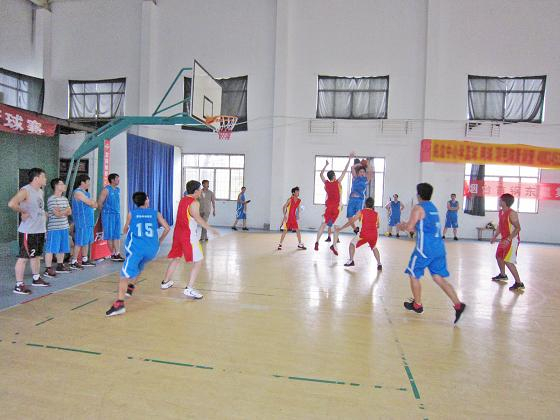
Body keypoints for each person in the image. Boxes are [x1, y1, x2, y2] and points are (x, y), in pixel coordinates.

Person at [397, 183, 466, 324]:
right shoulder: (433, 208)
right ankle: (458, 305)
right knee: (438, 278)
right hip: (438, 248)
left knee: (413, 274)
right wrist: (410, 226)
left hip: (424, 249)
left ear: (418, 194)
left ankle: (417, 305)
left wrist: (401, 225)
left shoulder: (418, 208)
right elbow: (422, 227)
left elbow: (410, 228)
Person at [105, 192, 170, 316]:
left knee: (124, 275)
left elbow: (125, 230)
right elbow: (167, 228)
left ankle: (119, 305)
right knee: (140, 265)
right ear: (146, 200)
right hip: (152, 250)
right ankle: (130, 287)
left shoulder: (132, 213)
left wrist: (131, 228)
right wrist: (159, 241)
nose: (149, 199)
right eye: (148, 198)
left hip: (136, 250)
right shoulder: (155, 213)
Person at [160, 180, 219, 299]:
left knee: (176, 258)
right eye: (200, 189)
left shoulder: (183, 200)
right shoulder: (194, 203)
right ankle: (189, 289)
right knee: (199, 261)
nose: (201, 191)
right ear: (196, 191)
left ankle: (165, 282)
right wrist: (211, 229)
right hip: (188, 236)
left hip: (177, 234)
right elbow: (198, 219)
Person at [8, 168, 50, 294]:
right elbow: (12, 203)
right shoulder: (25, 190)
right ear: (36, 178)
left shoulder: (40, 191)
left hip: (39, 230)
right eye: (43, 177)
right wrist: (23, 211)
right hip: (28, 231)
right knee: (23, 258)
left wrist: (43, 213)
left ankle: (36, 278)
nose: (45, 179)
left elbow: (37, 208)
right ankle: (19, 285)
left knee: (36, 256)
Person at [314, 153, 354, 251]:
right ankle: (334, 245)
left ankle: (317, 241)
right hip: (336, 208)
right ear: (334, 176)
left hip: (328, 207)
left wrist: (325, 165)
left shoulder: (326, 183)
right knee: (336, 227)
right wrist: (349, 159)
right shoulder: (338, 182)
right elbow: (344, 171)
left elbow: (320, 174)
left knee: (323, 225)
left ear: (328, 177)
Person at [333, 197, 382, 270]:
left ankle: (351, 260)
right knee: (374, 247)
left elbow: (351, 222)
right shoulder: (376, 214)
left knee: (352, 244)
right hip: (374, 235)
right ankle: (379, 264)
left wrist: (341, 228)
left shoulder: (361, 212)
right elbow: (378, 226)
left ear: (365, 204)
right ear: (372, 205)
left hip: (364, 234)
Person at [490, 193, 524, 291]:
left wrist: (509, 239)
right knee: (499, 256)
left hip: (512, 240)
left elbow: (518, 228)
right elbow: (500, 226)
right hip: (504, 239)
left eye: (500, 200)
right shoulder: (501, 212)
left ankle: (519, 283)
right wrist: (495, 236)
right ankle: (503, 275)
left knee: (508, 261)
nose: (499, 201)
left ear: (504, 202)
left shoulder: (512, 213)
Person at [43, 178, 72, 278]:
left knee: (62, 248)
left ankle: (60, 265)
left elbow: (70, 212)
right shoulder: (51, 199)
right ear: (56, 186)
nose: (64, 186)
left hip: (64, 227)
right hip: (54, 228)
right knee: (51, 249)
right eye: (62, 184)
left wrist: (62, 211)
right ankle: (48, 268)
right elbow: (57, 214)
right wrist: (64, 211)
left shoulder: (65, 199)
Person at [70, 174, 98, 269]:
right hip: (82, 221)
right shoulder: (77, 192)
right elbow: (90, 203)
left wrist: (93, 203)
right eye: (88, 182)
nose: (89, 184)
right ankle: (74, 261)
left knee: (86, 241)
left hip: (89, 221)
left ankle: (84, 259)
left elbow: (95, 204)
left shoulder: (86, 193)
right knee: (79, 241)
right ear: (82, 182)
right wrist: (92, 203)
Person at [98, 173, 124, 261]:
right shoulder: (106, 190)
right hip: (108, 215)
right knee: (110, 235)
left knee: (117, 235)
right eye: (117, 179)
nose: (118, 180)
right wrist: (105, 212)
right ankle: (113, 254)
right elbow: (100, 203)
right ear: (112, 180)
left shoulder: (118, 190)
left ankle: (117, 253)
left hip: (117, 214)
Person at [347, 159, 373, 234]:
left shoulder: (366, 180)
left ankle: (363, 229)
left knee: (358, 216)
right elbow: (352, 167)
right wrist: (360, 164)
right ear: (358, 173)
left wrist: (367, 164)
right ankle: (355, 229)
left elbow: (370, 172)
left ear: (365, 173)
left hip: (359, 200)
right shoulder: (355, 177)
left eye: (363, 172)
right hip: (352, 199)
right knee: (349, 217)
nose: (362, 173)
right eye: (360, 172)